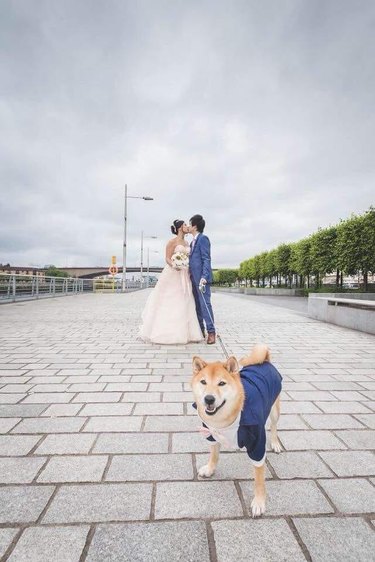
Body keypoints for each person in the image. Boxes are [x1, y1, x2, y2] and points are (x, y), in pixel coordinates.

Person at [139, 219, 203, 344]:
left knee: (185, 300)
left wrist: (186, 265)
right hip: (173, 274)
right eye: (185, 225)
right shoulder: (171, 242)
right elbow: (167, 258)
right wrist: (175, 264)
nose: (187, 226)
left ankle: (188, 332)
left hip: (185, 274)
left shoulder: (187, 242)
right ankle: (168, 331)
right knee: (170, 300)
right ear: (179, 228)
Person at [189, 214, 216, 344]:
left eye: (189, 224)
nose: (188, 226)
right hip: (193, 280)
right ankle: (201, 330)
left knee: (205, 306)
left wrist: (204, 277)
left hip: (201, 280)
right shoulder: (192, 242)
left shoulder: (203, 239)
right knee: (197, 307)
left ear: (194, 226)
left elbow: (206, 259)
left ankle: (212, 332)